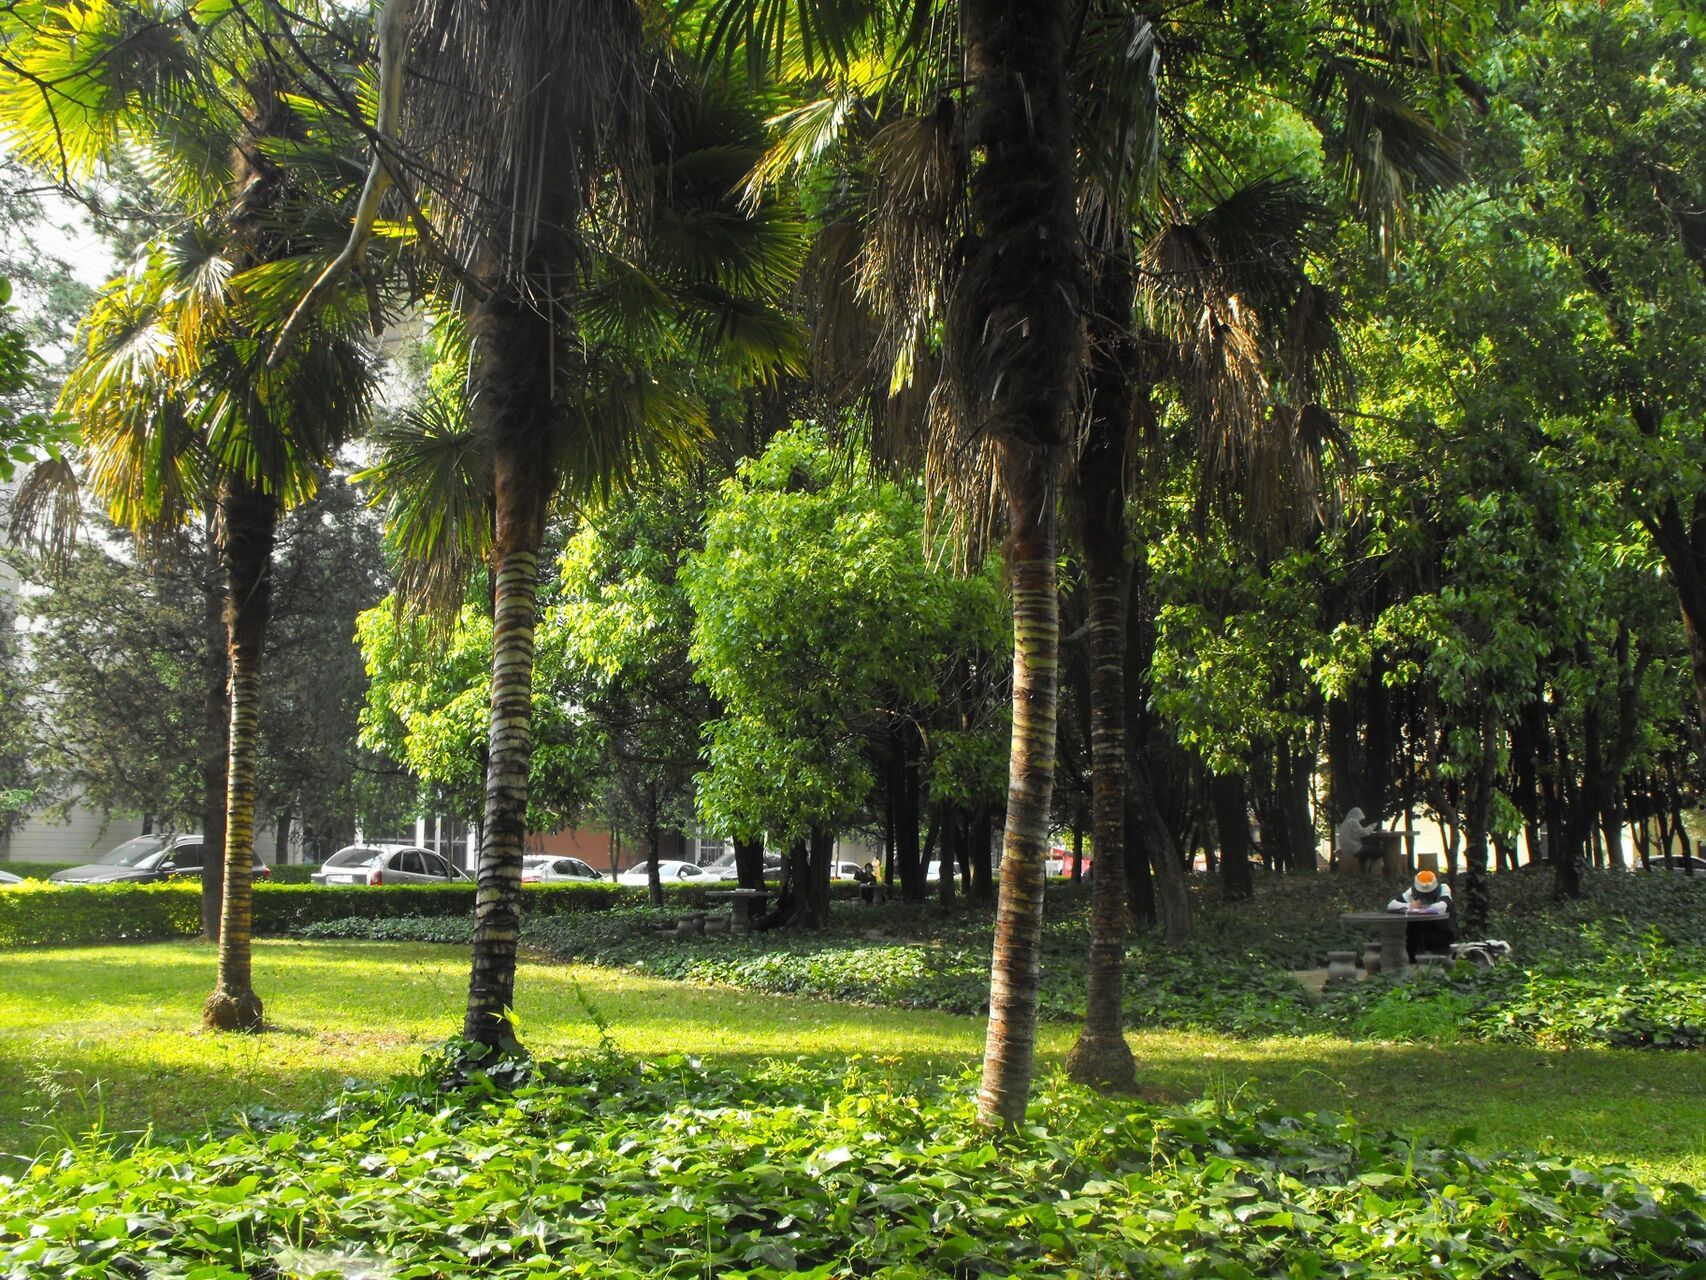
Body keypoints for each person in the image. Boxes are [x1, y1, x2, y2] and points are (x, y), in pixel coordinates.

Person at [1386, 869, 1457, 960]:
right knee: (1411, 929)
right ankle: (1412, 960)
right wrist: (1410, 906)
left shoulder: (1444, 888)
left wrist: (1418, 909)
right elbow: (1391, 905)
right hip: (1421, 933)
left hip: (1443, 932)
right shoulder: (1411, 891)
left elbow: (1441, 907)